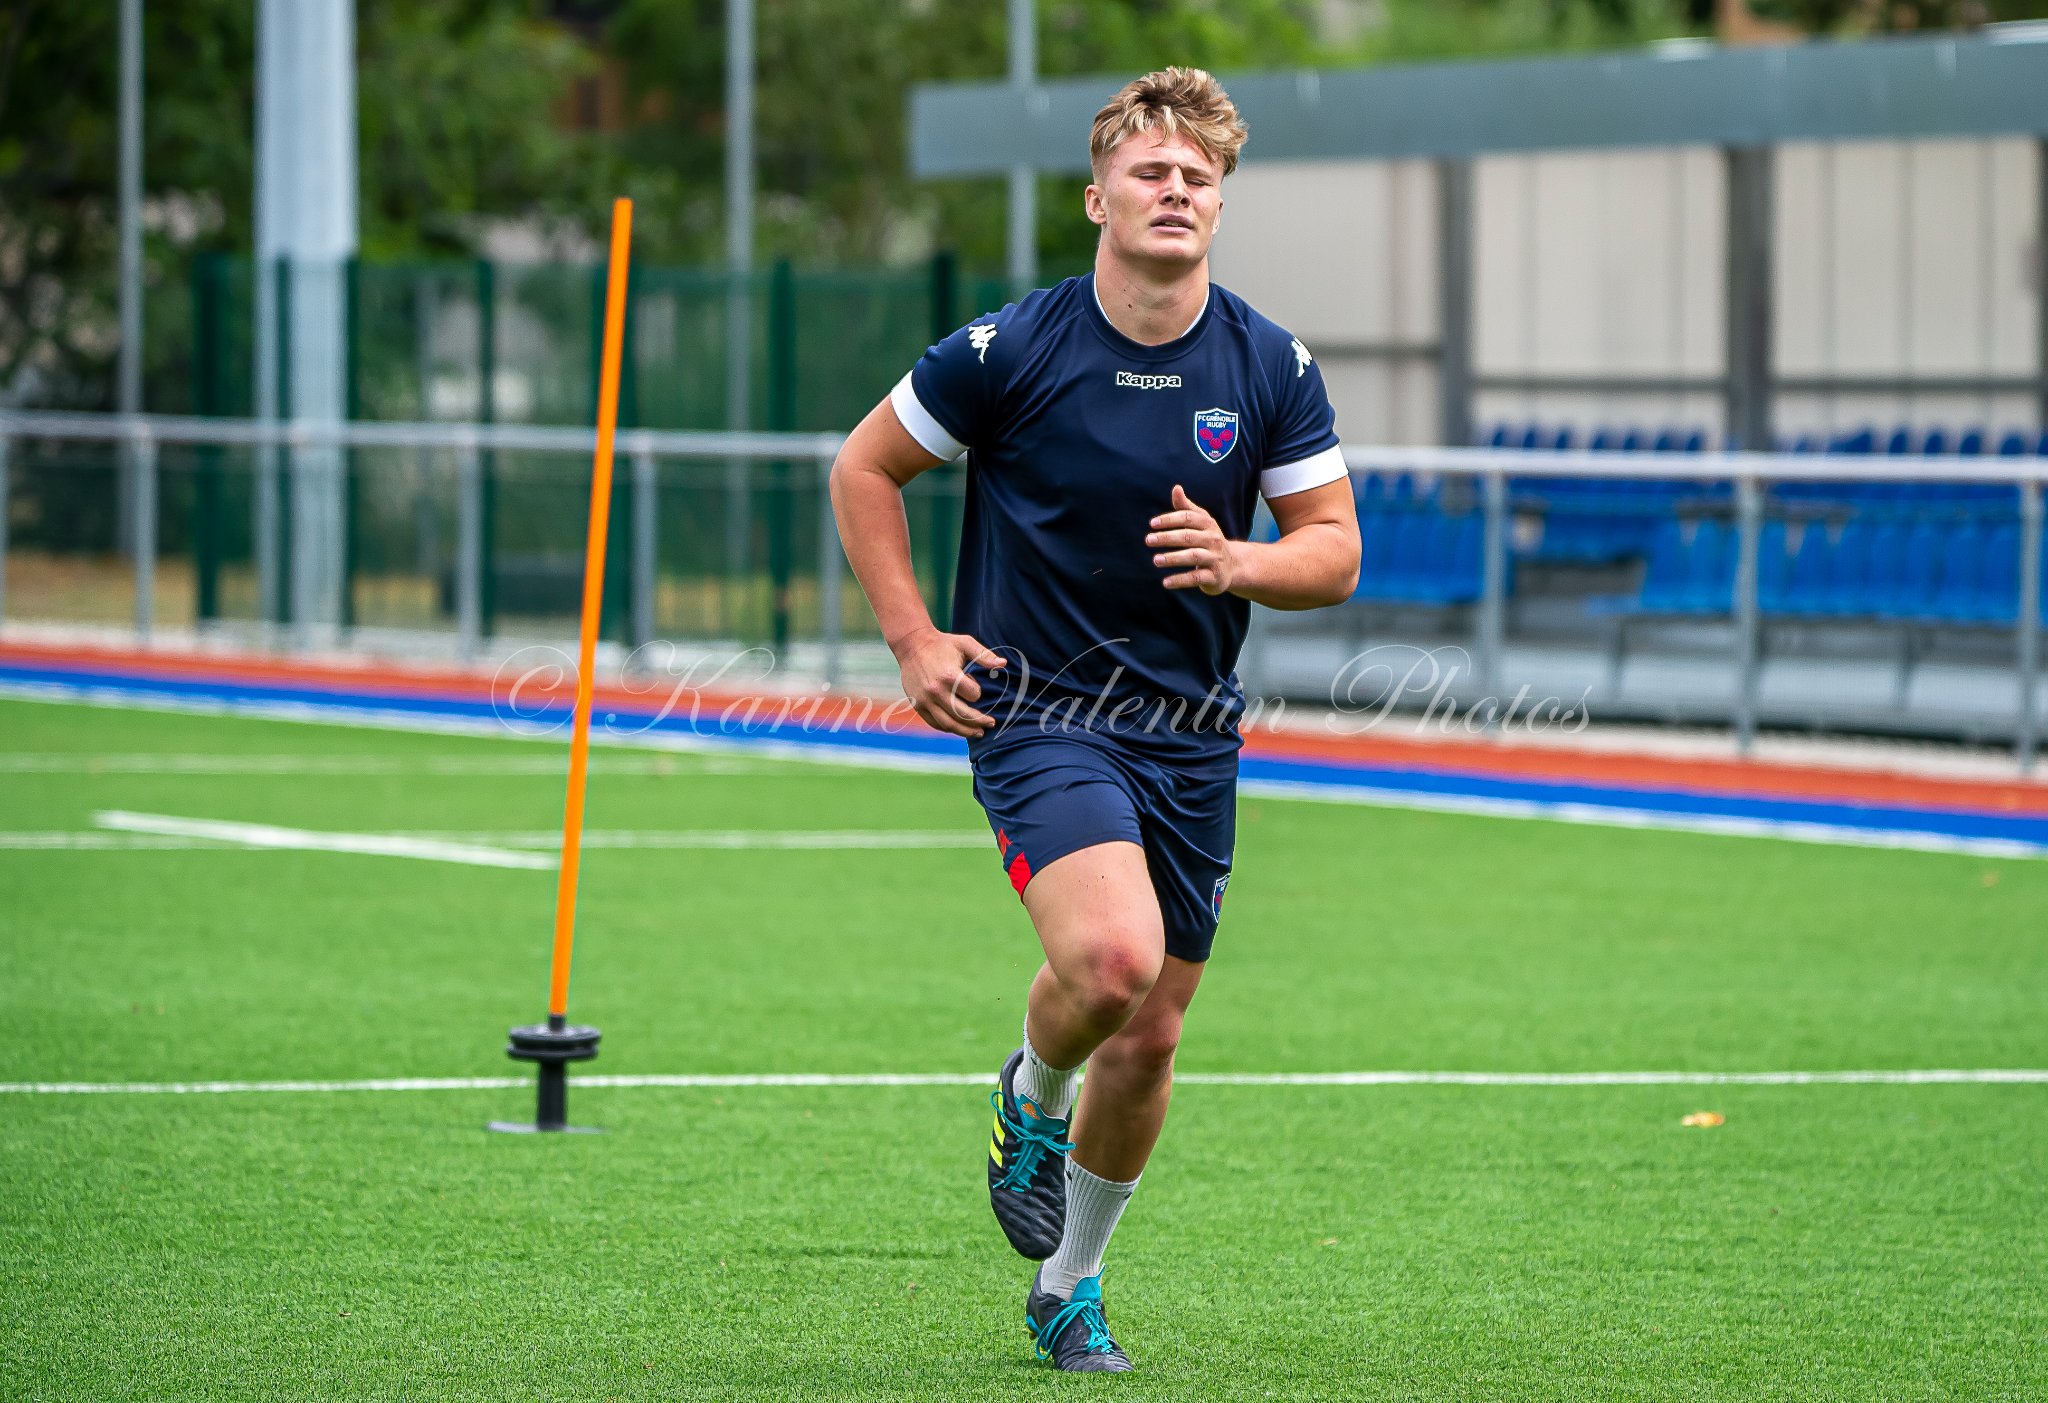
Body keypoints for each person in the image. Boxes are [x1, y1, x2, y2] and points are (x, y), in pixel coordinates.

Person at [829, 66, 1360, 1373]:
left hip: (1190, 734)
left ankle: (1070, 1285)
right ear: (1097, 198)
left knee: (1158, 1033)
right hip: (1037, 710)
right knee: (1114, 968)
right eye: (1152, 171)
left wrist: (1242, 564)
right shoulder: (1011, 350)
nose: (1177, 190)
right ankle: (1033, 1093)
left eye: (1200, 177)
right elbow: (863, 468)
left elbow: (1334, 551)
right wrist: (912, 637)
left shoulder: (1268, 363)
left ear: (1220, 207)